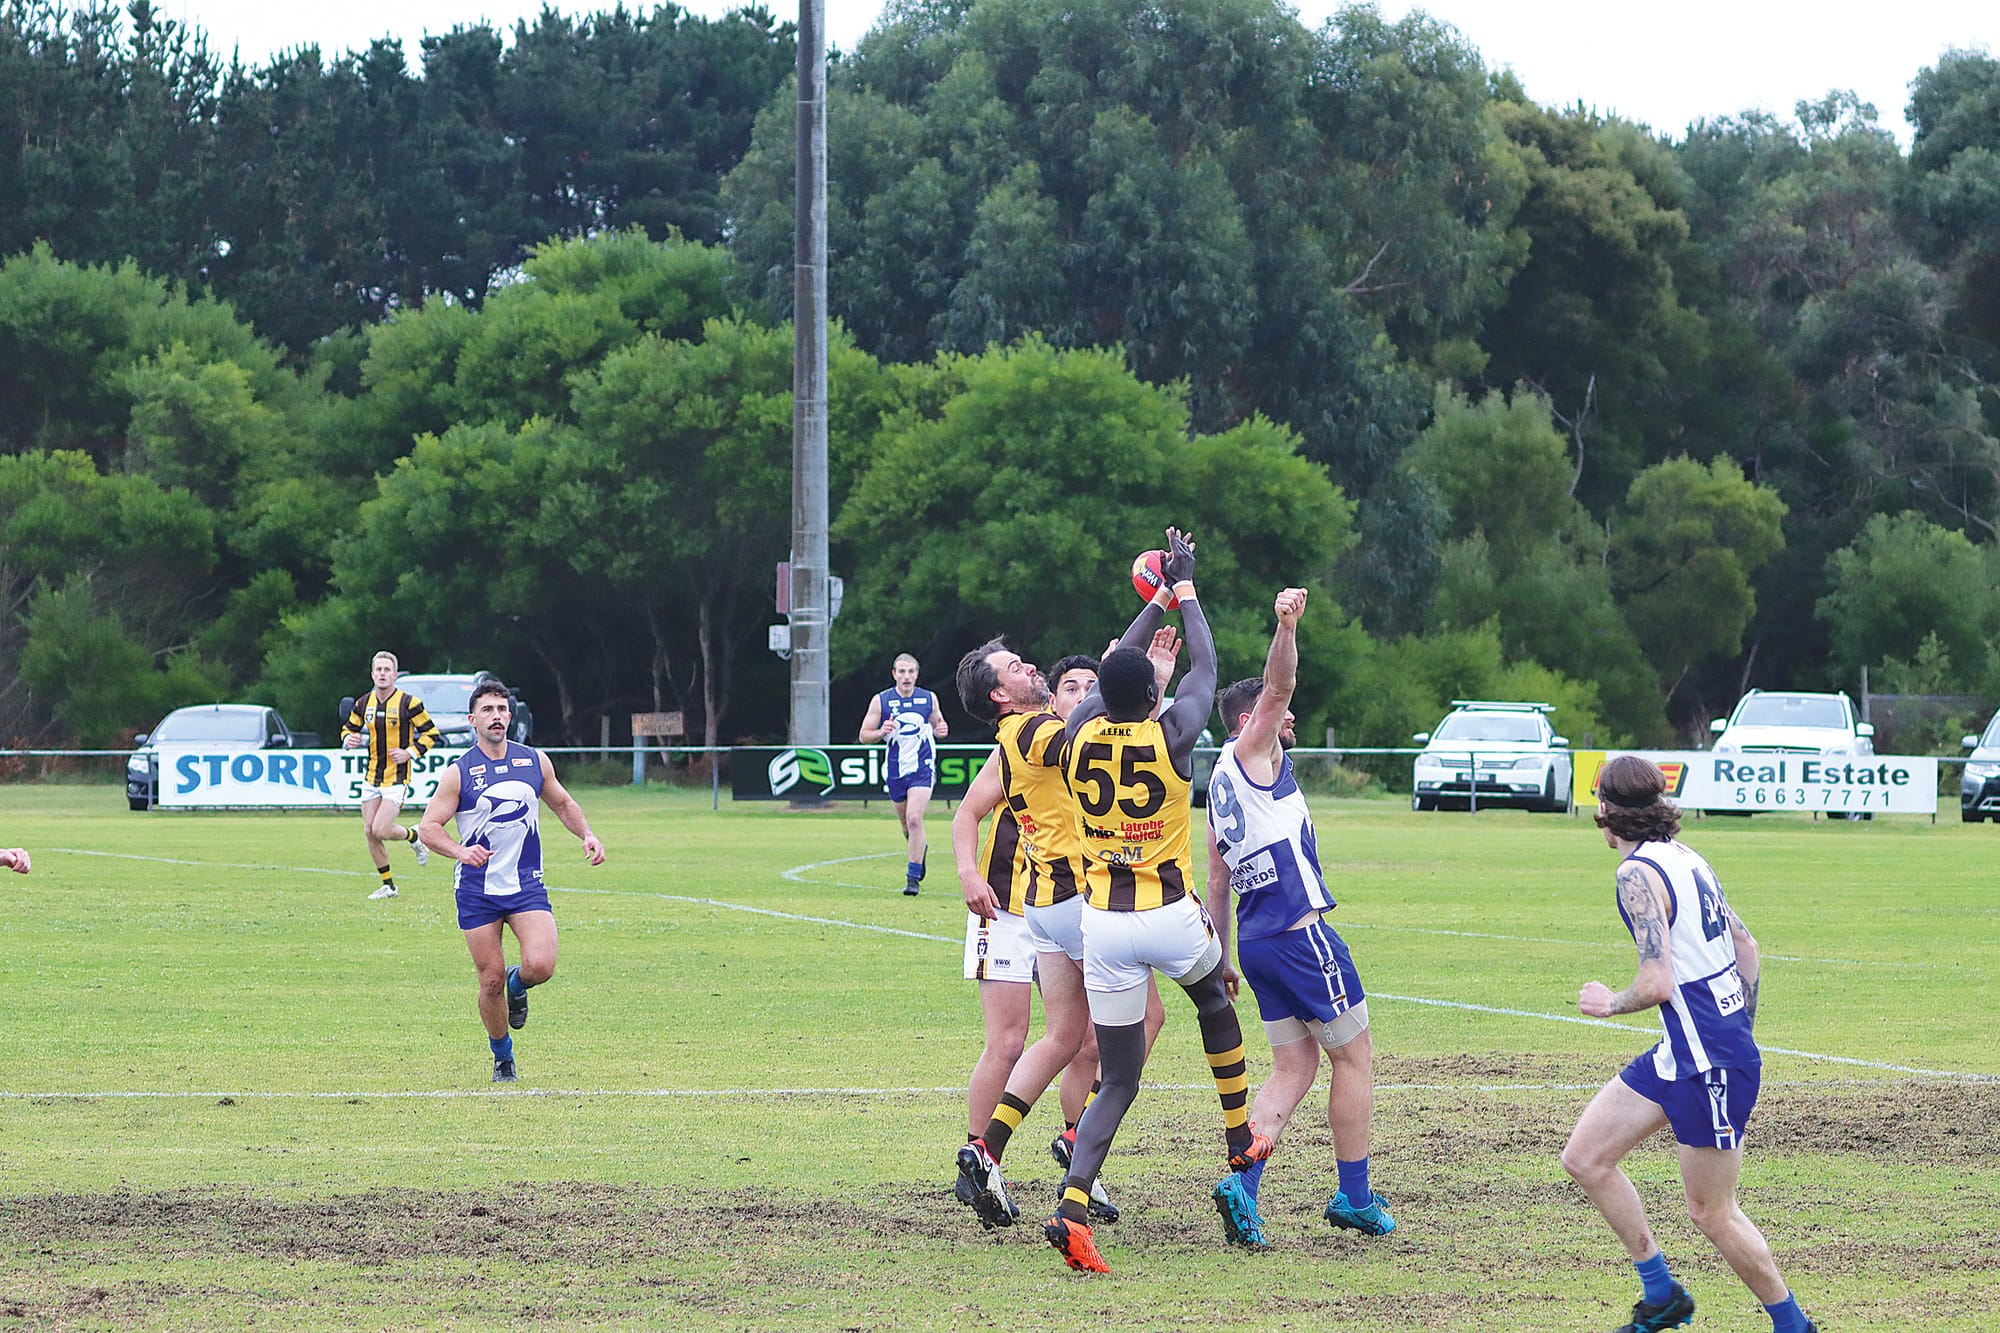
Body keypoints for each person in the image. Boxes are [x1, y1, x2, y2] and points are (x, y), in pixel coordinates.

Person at [1043, 527, 1259, 1274]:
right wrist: (1189, 585)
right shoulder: (1173, 732)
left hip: (1103, 923)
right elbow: (1208, 664)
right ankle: (1239, 1133)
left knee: (1122, 1077)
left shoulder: (1073, 730)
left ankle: (1072, 1207)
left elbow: (1108, 676)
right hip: (1169, 914)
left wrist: (1157, 594)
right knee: (1214, 997)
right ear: (1153, 694)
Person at [1561, 754, 1816, 1333]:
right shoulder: (1686, 857)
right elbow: (1746, 947)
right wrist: (1735, 1025)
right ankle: (1662, 1296)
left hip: (1707, 1060)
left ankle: (1794, 1326)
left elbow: (1656, 984)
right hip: (1689, 1051)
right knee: (1586, 1158)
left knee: (1712, 1212)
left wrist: (1609, 1002)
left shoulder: (1634, 874)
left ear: (1604, 809)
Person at [949, 644, 1167, 1232]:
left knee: (1067, 1036)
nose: (1030, 668)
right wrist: (1137, 665)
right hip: (1053, 900)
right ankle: (1071, 1142)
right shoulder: (1032, 733)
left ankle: (995, 1150)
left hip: (1042, 899)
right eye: (1016, 667)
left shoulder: (1029, 731)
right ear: (999, 695)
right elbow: (968, 813)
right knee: (1132, 1021)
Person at [1204, 587, 1393, 1252]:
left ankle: (1244, 1186)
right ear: (1251, 718)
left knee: (1293, 1069)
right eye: (1277, 715)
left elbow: (1218, 878)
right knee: (1356, 1056)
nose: (1290, 718)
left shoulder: (1218, 783)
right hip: (1298, 930)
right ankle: (1355, 1195)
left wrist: (1223, 956)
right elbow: (1280, 685)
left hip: (1257, 940)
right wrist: (1285, 626)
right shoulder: (1253, 747)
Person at [417, 679, 605, 1084]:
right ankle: (503, 1056)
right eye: (488, 710)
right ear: (473, 720)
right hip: (477, 890)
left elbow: (562, 803)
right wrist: (461, 852)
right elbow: (429, 827)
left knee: (541, 965)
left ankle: (517, 984)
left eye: (502, 709)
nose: (497, 717)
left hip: (524, 884)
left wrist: (587, 834)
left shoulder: (535, 761)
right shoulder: (459, 772)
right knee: (488, 980)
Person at [341, 651, 443, 900]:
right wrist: (348, 740)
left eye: (387, 670)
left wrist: (410, 752)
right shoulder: (363, 703)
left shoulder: (410, 703)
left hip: (396, 777)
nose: (383, 674)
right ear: (372, 674)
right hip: (371, 775)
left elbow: (432, 734)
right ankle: (389, 886)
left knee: (381, 829)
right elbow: (348, 729)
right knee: (369, 831)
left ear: (395, 675)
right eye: (379, 669)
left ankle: (415, 836)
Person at [858, 653, 948, 894]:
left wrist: (941, 729)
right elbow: (864, 735)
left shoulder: (929, 698)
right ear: (894, 674)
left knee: (914, 818)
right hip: (896, 769)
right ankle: (920, 850)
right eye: (902, 671)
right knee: (906, 827)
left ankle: (912, 878)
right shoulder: (882, 700)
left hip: (922, 766)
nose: (906, 676)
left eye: (911, 672)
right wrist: (880, 732)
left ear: (917, 674)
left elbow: (939, 725)